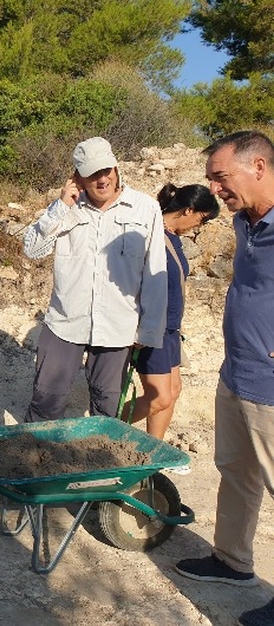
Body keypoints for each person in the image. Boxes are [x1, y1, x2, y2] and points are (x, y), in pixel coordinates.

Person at [174, 131, 274, 625]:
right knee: (237, 473)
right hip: (237, 371)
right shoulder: (244, 222)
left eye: (220, 177)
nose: (213, 189)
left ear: (257, 166)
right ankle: (232, 562)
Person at [23, 137, 167, 422]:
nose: (102, 180)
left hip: (118, 326)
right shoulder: (65, 208)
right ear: (77, 178)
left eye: (106, 171)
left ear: (116, 168)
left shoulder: (145, 208)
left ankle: (101, 465)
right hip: (65, 322)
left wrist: (148, 330)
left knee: (108, 407)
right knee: (45, 401)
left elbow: (155, 272)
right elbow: (32, 250)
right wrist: (60, 206)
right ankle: (36, 463)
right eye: (92, 174)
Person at [122, 183, 220, 444]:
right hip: (153, 330)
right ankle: (104, 427)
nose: (199, 227)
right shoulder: (151, 233)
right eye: (201, 219)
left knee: (173, 391)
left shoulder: (173, 239)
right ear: (189, 210)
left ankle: (151, 456)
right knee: (159, 397)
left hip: (170, 330)